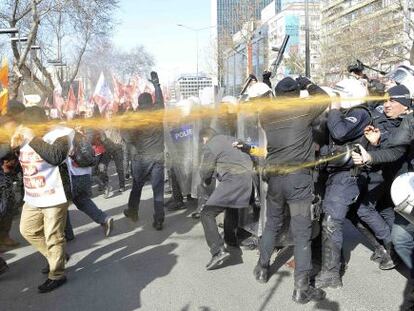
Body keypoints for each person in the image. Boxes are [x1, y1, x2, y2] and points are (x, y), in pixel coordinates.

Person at [253, 76, 329, 304]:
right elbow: (324, 98)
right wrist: (307, 84)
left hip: (275, 179)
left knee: (272, 223)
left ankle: (262, 268)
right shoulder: (302, 109)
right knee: (302, 232)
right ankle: (301, 288)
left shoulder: (266, 114)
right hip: (298, 181)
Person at [11, 107, 71, 293]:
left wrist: (32, 138)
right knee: (27, 229)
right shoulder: (25, 136)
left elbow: (55, 157)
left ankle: (57, 274)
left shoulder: (61, 135)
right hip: (33, 195)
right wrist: (13, 146)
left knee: (54, 236)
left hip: (54, 194)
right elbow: (16, 163)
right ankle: (57, 257)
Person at [198, 127, 253, 270]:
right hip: (248, 180)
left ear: (205, 138)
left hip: (233, 180)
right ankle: (231, 240)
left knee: (207, 213)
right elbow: (248, 150)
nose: (203, 144)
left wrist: (205, 181)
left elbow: (205, 171)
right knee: (231, 206)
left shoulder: (211, 145)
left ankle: (218, 251)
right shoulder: (230, 139)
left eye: (203, 141)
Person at [124, 72, 166, 230]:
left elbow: (128, 138)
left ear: (139, 102)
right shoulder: (157, 112)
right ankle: (159, 219)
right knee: (158, 189)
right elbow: (161, 101)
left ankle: (133, 211)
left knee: (137, 186)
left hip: (141, 158)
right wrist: (157, 84)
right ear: (151, 101)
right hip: (157, 156)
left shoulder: (135, 117)